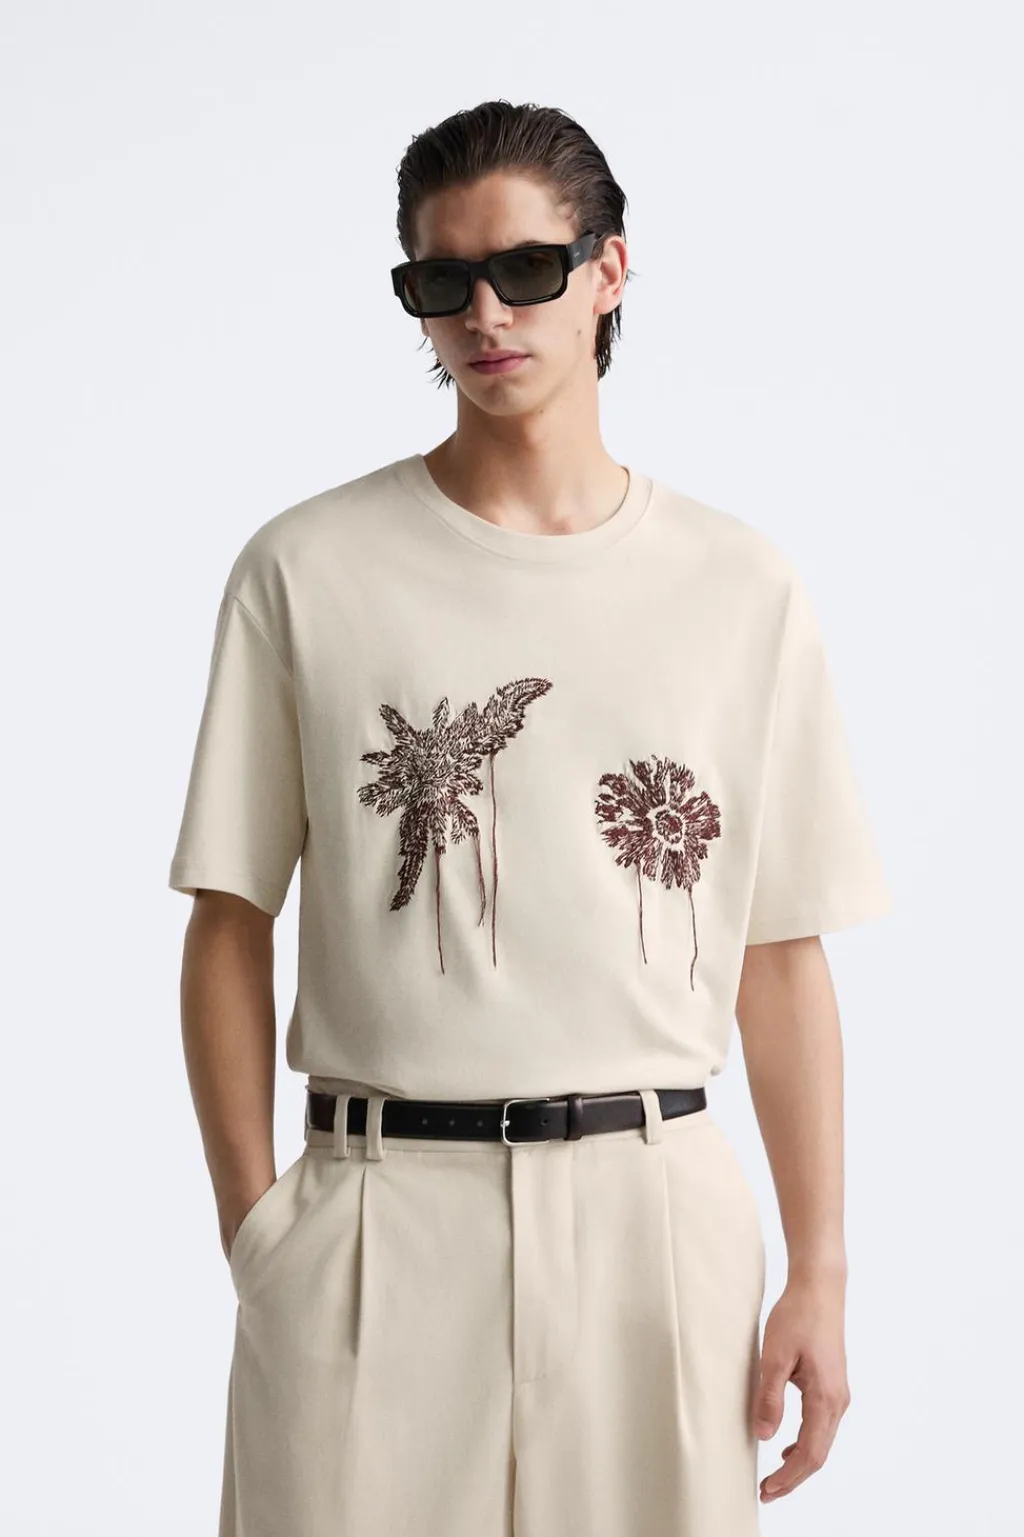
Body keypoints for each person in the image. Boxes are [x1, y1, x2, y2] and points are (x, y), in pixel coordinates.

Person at [168, 98, 892, 1537]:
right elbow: (228, 919)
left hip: (657, 1224)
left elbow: (779, 952)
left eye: (527, 269)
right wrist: (263, 1238)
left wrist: (820, 1270)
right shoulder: (305, 570)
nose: (486, 313)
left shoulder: (740, 587)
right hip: (376, 1221)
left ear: (610, 269)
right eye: (443, 280)